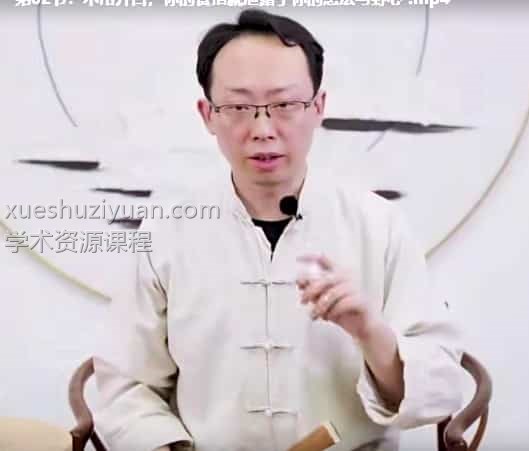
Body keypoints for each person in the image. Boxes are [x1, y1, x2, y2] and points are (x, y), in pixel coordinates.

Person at [93, 8, 465, 451]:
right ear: (207, 114)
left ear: (318, 107)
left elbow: (442, 386)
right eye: (238, 107)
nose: (263, 129)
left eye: (285, 105)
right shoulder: (167, 231)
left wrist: (371, 332)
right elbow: (126, 385)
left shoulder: (377, 225)